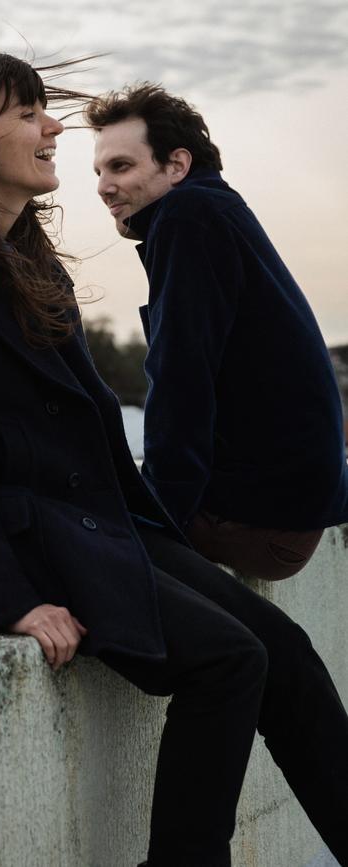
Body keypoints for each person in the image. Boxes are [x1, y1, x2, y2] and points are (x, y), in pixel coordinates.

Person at [0, 52, 348, 867]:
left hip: (95, 525)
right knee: (230, 660)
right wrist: (5, 600)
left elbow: (96, 443)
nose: (52, 129)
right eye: (26, 113)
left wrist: (168, 540)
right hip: (22, 546)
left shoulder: (32, 263)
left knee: (283, 653)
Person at [88, 84, 348, 581]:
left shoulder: (188, 218)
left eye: (120, 167)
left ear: (177, 165)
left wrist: (159, 522)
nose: (102, 186)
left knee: (71, 520)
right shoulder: (214, 211)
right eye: (99, 171)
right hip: (291, 510)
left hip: (260, 522)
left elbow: (181, 381)